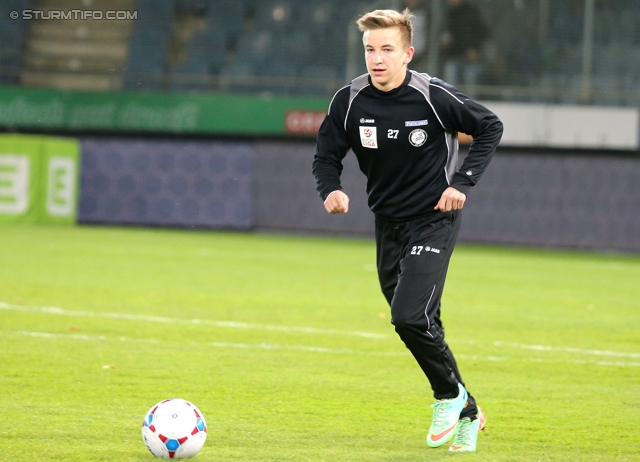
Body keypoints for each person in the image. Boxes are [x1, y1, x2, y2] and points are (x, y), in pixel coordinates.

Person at [312, 8, 503, 453]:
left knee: (408, 317)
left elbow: (489, 125)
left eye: (386, 50)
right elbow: (326, 154)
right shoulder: (349, 100)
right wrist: (331, 190)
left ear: (407, 53)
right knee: (422, 324)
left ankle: (447, 397)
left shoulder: (432, 96)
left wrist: (462, 183)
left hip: (434, 219)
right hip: (388, 225)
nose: (376, 59)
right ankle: (469, 411)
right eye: (370, 50)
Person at [440, 0, 490, 95]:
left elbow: (483, 34)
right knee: (450, 70)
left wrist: (475, 50)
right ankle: (451, 103)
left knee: (470, 75)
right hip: (455, 57)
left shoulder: (471, 12)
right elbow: (446, 37)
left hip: (474, 60)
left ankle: (471, 106)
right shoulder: (448, 14)